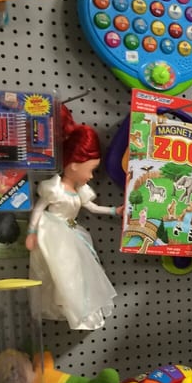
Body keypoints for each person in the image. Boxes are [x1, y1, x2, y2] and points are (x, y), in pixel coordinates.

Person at [26, 106, 123, 331]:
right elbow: (39, 209)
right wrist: (31, 232)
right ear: (74, 165)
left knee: (76, 274)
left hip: (72, 232)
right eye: (90, 170)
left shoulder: (79, 190)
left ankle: (75, 308)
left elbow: (92, 207)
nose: (91, 176)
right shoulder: (54, 189)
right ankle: (64, 305)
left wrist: (114, 211)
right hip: (53, 233)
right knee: (60, 272)